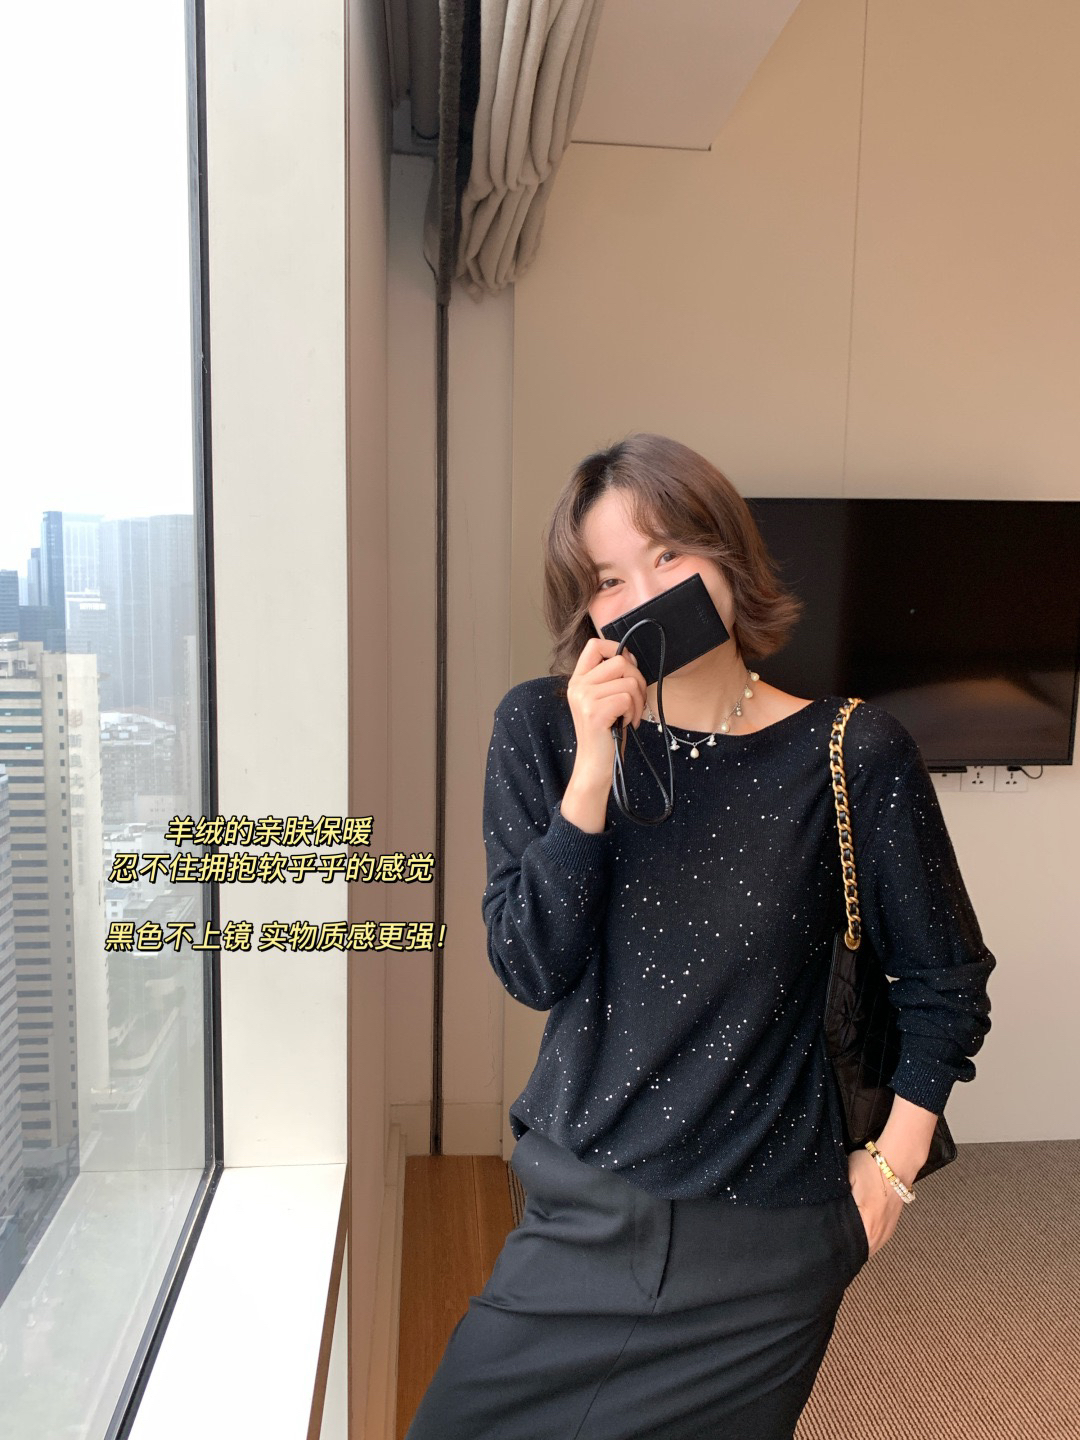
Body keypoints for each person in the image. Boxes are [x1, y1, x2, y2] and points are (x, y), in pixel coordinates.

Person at [403, 432, 996, 1440]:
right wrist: (593, 772)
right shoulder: (541, 728)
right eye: (608, 578)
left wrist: (890, 1179)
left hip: (767, 1247)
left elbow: (946, 985)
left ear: (727, 555)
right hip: (581, 1214)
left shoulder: (854, 751)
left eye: (668, 555)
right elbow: (530, 967)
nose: (643, 595)